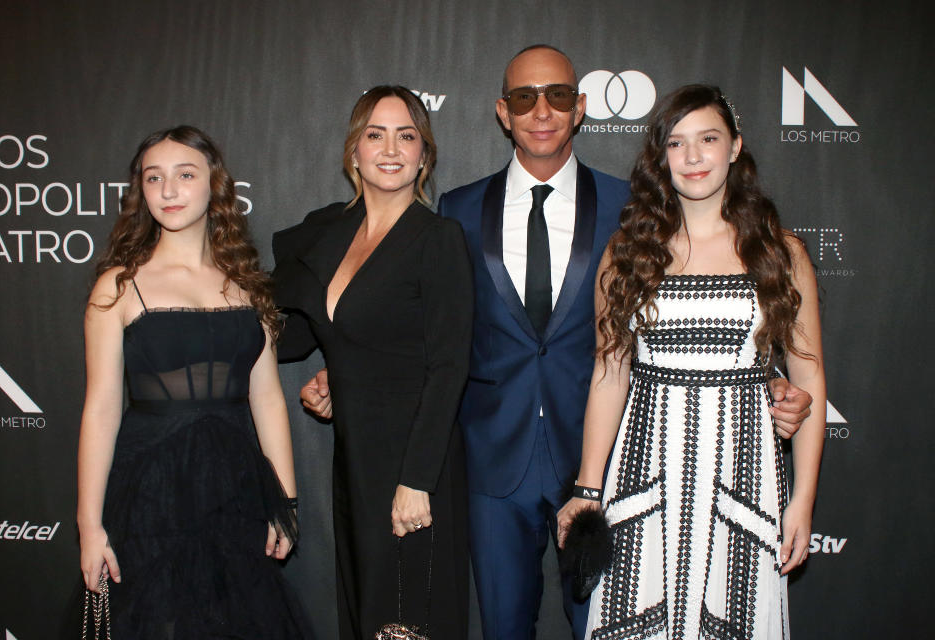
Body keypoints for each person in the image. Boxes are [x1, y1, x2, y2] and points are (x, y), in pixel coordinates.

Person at [301, 47, 814, 640]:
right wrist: (347, 376)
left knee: (608, 626)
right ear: (502, 112)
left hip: (613, 463)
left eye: (558, 96)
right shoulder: (458, 210)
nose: (541, 110)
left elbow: (699, 309)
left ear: (581, 108)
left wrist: (765, 379)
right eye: (524, 98)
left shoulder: (637, 209)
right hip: (492, 462)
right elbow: (428, 331)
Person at [558, 85, 826, 640]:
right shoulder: (628, 252)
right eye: (677, 144)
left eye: (708, 139)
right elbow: (610, 375)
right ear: (662, 159)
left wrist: (801, 504)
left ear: (735, 147)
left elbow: (809, 378)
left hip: (744, 475)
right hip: (645, 471)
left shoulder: (780, 251)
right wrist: (587, 489)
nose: (694, 156)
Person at [76, 126, 307, 638]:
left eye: (185, 174)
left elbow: (267, 399)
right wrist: (89, 526)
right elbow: (101, 410)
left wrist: (285, 503)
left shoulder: (247, 286)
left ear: (214, 186)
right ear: (142, 192)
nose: (169, 190)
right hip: (148, 493)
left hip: (236, 492)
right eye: (154, 178)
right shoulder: (119, 284)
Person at [272, 86, 473, 640]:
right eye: (375, 134)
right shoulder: (330, 232)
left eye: (406, 135)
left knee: (409, 619)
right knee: (364, 611)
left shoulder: (438, 238)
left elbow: (448, 366)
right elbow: (299, 337)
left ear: (424, 154)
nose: (391, 149)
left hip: (414, 463)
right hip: (355, 460)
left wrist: (416, 480)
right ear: (353, 152)